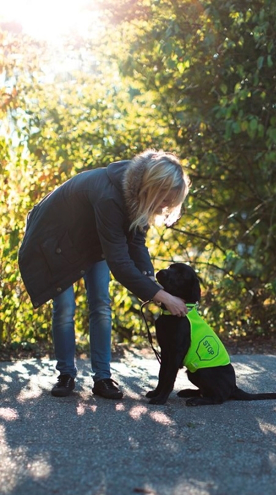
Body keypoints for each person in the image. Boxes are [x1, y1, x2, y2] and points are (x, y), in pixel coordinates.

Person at [18, 149, 190, 400]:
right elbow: (119, 262)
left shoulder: (138, 195)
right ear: (154, 187)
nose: (165, 206)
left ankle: (102, 377)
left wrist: (150, 280)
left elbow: (137, 244)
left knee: (101, 303)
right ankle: (66, 374)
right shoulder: (109, 196)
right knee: (65, 308)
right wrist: (162, 296)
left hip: (92, 242)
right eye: (165, 199)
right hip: (54, 243)